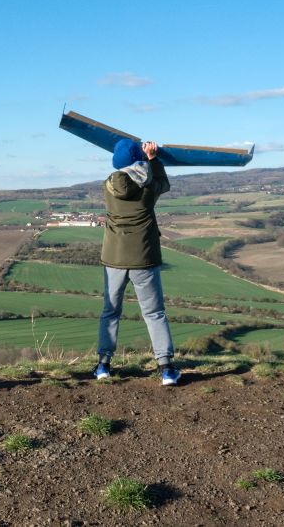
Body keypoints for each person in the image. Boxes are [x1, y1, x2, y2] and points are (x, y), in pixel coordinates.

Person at [95, 138, 181, 386]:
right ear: (138, 159)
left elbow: (126, 175)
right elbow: (163, 184)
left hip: (114, 259)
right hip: (144, 258)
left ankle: (103, 365)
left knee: (110, 312)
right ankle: (166, 369)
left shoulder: (107, 186)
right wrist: (153, 159)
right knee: (154, 313)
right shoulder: (149, 188)